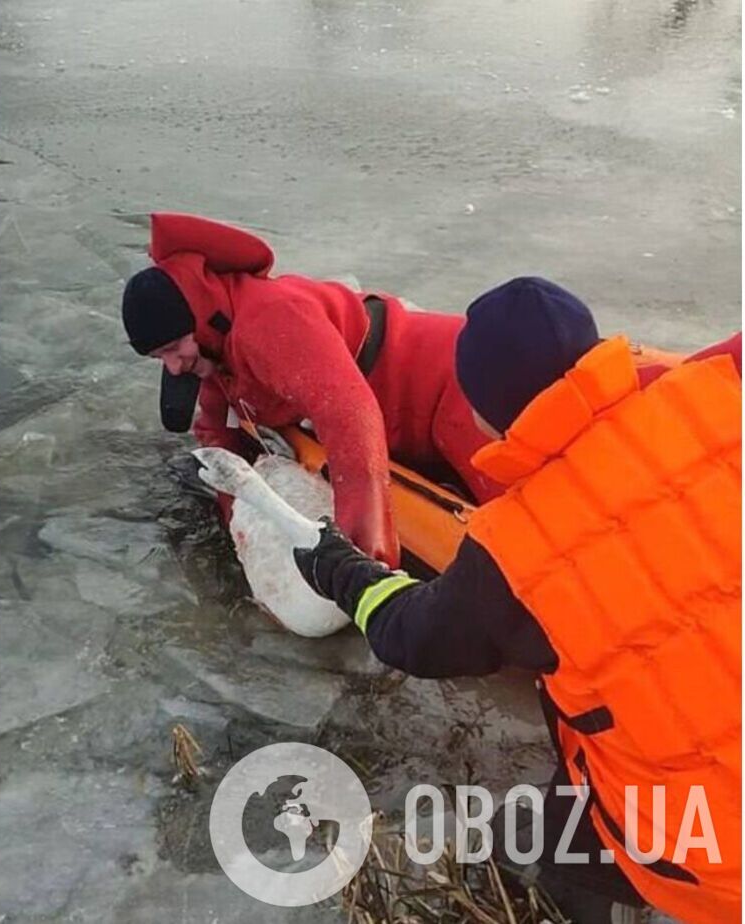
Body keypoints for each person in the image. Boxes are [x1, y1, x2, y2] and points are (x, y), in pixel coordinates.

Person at [294, 276, 741, 924]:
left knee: (525, 835)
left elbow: (413, 637)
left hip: (715, 865)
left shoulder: (516, 546)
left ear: (482, 413)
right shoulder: (720, 403)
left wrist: (342, 572)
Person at [122, 212, 503, 565]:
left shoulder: (269, 318)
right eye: (160, 358)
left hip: (456, 387)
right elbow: (219, 433)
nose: (174, 367)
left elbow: (348, 413)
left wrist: (365, 557)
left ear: (198, 317)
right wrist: (238, 517)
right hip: (400, 417)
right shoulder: (214, 347)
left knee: (517, 530)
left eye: (174, 349)